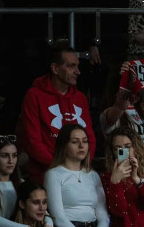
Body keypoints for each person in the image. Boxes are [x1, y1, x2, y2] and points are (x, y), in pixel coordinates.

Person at [18, 42, 96, 184]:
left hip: (78, 176)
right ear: (55, 68)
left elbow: (90, 137)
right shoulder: (34, 95)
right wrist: (61, 169)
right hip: (44, 177)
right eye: (71, 66)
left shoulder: (80, 98)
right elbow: (32, 142)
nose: (78, 71)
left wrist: (81, 166)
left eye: (77, 66)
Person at [43, 124, 109, 227]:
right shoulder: (53, 174)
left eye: (85, 141)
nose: (81, 146)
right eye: (75, 142)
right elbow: (58, 217)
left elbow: (103, 214)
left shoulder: (94, 175)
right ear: (64, 146)